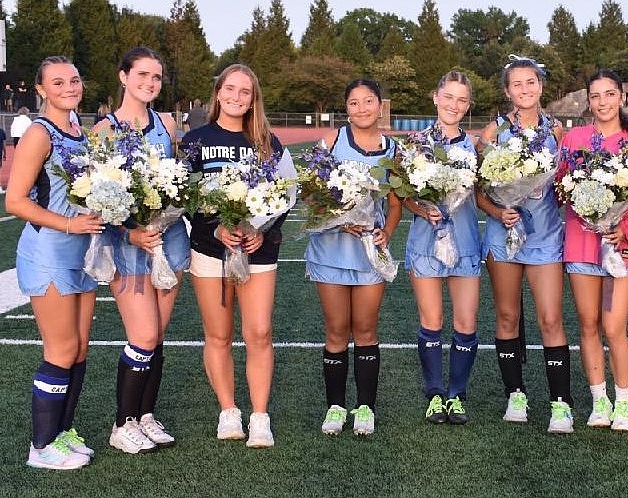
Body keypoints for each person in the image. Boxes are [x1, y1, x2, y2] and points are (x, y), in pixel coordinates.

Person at [6, 56, 105, 470]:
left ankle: (63, 433)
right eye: (59, 82)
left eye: (75, 80)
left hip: (80, 254)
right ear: (41, 90)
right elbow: (15, 200)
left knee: (78, 349)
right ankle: (41, 446)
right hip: (49, 251)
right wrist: (69, 223)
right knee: (61, 348)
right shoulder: (39, 132)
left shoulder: (79, 131)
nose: (70, 86)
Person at [183, 64, 289, 448]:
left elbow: (282, 199)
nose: (237, 97)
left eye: (245, 91)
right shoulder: (195, 140)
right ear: (218, 92)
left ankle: (260, 416)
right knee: (218, 334)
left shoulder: (268, 143)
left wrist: (263, 231)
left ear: (253, 98)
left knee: (259, 332)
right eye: (231, 89)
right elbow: (184, 196)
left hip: (257, 250)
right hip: (211, 251)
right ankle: (228, 410)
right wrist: (215, 227)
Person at [92, 47, 187, 454]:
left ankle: (145, 416)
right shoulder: (104, 130)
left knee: (158, 335)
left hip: (169, 239)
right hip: (129, 244)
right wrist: (130, 233)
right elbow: (95, 196)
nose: (150, 83)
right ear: (123, 76)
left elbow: (177, 180)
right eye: (143, 75)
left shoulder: (166, 123)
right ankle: (122, 423)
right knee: (143, 334)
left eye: (157, 77)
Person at [477, 56, 573, 433]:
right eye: (517, 84)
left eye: (530, 82)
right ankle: (515, 393)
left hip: (546, 234)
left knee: (550, 318)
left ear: (540, 86)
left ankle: (560, 404)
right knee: (507, 317)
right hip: (503, 234)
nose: (524, 89)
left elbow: (569, 185)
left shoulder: (558, 132)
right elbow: (478, 193)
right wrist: (500, 212)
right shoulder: (492, 133)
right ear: (507, 90)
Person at [558, 69, 628, 432]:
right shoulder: (576, 137)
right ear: (588, 100)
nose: (602, 102)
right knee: (588, 324)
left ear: (621, 96)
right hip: (582, 242)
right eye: (595, 96)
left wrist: (622, 229)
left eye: (609, 94)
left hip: (622, 245)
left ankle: (624, 402)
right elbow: (563, 187)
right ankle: (600, 401)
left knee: (614, 327)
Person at [309, 78, 402, 436]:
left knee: (365, 329)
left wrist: (387, 232)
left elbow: (396, 201)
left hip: (369, 251)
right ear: (345, 108)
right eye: (353, 103)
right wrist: (337, 216)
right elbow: (313, 195)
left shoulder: (393, 150)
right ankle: (335, 406)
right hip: (332, 249)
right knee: (335, 331)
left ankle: (365, 407)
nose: (361, 109)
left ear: (380, 106)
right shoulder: (331, 142)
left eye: (368, 101)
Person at [403, 71, 481, 425]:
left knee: (465, 321)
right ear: (436, 97)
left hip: (464, 240)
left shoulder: (476, 146)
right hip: (425, 241)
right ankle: (435, 393)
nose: (454, 105)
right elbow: (403, 196)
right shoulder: (415, 142)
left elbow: (484, 193)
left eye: (462, 99)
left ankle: (457, 394)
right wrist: (425, 208)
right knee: (431, 320)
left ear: (468, 105)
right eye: (449, 97)